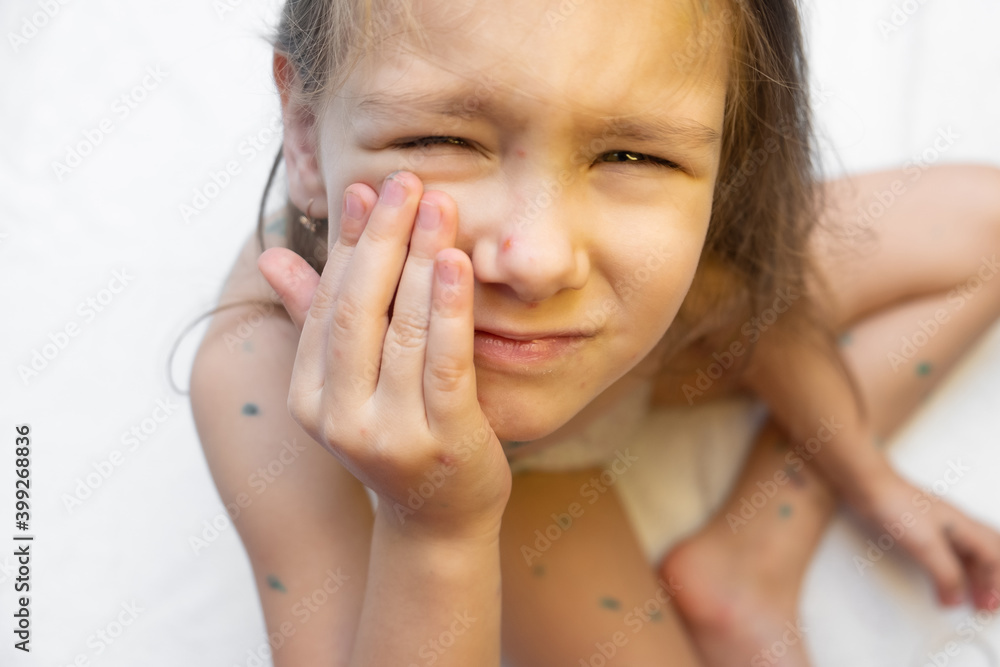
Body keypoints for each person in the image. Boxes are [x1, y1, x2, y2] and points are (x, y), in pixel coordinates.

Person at [188, 0, 1000, 664]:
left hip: (643, 350)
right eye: (440, 139)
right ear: (302, 132)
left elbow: (760, 316)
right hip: (531, 484)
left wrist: (869, 480)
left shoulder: (670, 239)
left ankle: (749, 561)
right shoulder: (260, 371)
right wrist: (435, 526)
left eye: (631, 155)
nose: (537, 260)